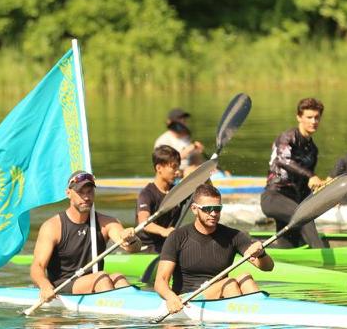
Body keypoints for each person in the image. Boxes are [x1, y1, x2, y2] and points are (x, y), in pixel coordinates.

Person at [154, 182, 274, 315]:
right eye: (208, 209)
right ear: (194, 209)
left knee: (245, 278)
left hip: (222, 295)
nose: (213, 213)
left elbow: (267, 267)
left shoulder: (233, 235)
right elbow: (160, 281)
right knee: (229, 283)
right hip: (188, 300)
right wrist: (171, 298)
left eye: (217, 208)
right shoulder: (177, 236)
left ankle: (261, 320)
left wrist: (261, 253)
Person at [30, 170, 141, 302]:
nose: (86, 197)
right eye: (81, 192)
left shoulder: (107, 222)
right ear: (68, 193)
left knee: (119, 279)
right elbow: (37, 266)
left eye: (89, 192)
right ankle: (109, 321)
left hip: (96, 280)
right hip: (63, 285)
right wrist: (44, 286)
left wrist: (131, 239)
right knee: (102, 278)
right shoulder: (52, 227)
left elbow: (133, 248)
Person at [260, 97, 328, 248]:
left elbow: (305, 185)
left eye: (317, 117)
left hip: (292, 201)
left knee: (289, 244)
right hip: (274, 197)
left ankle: (280, 257)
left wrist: (325, 193)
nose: (314, 121)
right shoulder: (288, 137)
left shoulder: (312, 149)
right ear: (299, 117)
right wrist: (311, 176)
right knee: (305, 217)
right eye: (309, 117)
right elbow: (283, 160)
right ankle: (324, 261)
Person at [135, 145, 182, 252]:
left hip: (167, 243)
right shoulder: (146, 194)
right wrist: (164, 231)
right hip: (146, 247)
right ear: (159, 168)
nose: (177, 171)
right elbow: (144, 223)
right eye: (174, 167)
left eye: (178, 167)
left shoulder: (178, 191)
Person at [154, 108, 205, 172]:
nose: (183, 122)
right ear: (169, 122)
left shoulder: (187, 138)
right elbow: (166, 163)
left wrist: (198, 152)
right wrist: (188, 150)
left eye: (184, 119)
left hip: (188, 172)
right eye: (179, 119)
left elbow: (195, 159)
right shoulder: (162, 141)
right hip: (173, 174)